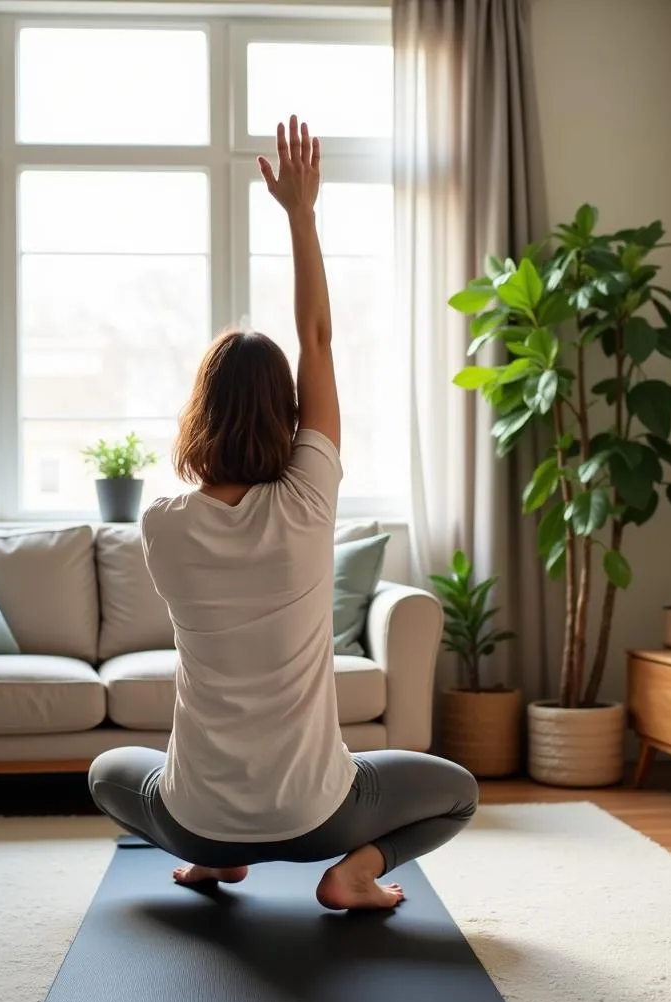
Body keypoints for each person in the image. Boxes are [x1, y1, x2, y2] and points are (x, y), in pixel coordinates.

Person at [88, 114, 478, 911]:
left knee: (106, 772)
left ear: (200, 412)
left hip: (196, 820)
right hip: (318, 816)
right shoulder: (308, 498)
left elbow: (307, 352)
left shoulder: (161, 521)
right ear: (289, 414)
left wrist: (206, 841)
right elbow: (320, 340)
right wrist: (301, 214)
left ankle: (212, 862)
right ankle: (355, 873)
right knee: (460, 790)